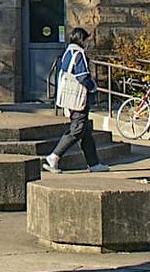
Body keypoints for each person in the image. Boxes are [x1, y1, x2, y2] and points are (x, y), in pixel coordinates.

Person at [43, 27, 104, 173]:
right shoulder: (79, 54)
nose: (88, 42)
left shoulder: (67, 53)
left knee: (86, 132)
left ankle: (93, 163)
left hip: (68, 97)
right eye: (87, 39)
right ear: (81, 39)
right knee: (77, 130)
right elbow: (82, 76)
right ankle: (54, 156)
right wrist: (92, 87)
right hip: (78, 98)